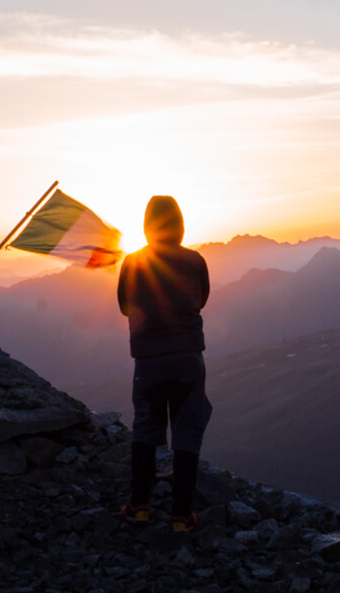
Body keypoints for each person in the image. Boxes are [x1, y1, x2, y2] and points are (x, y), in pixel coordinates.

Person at [117, 195, 211, 531]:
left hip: (148, 359)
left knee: (146, 426)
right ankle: (181, 515)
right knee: (187, 430)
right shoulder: (195, 260)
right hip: (188, 358)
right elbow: (200, 300)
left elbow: (125, 307)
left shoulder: (132, 262)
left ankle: (139, 505)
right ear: (180, 225)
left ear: (147, 226)